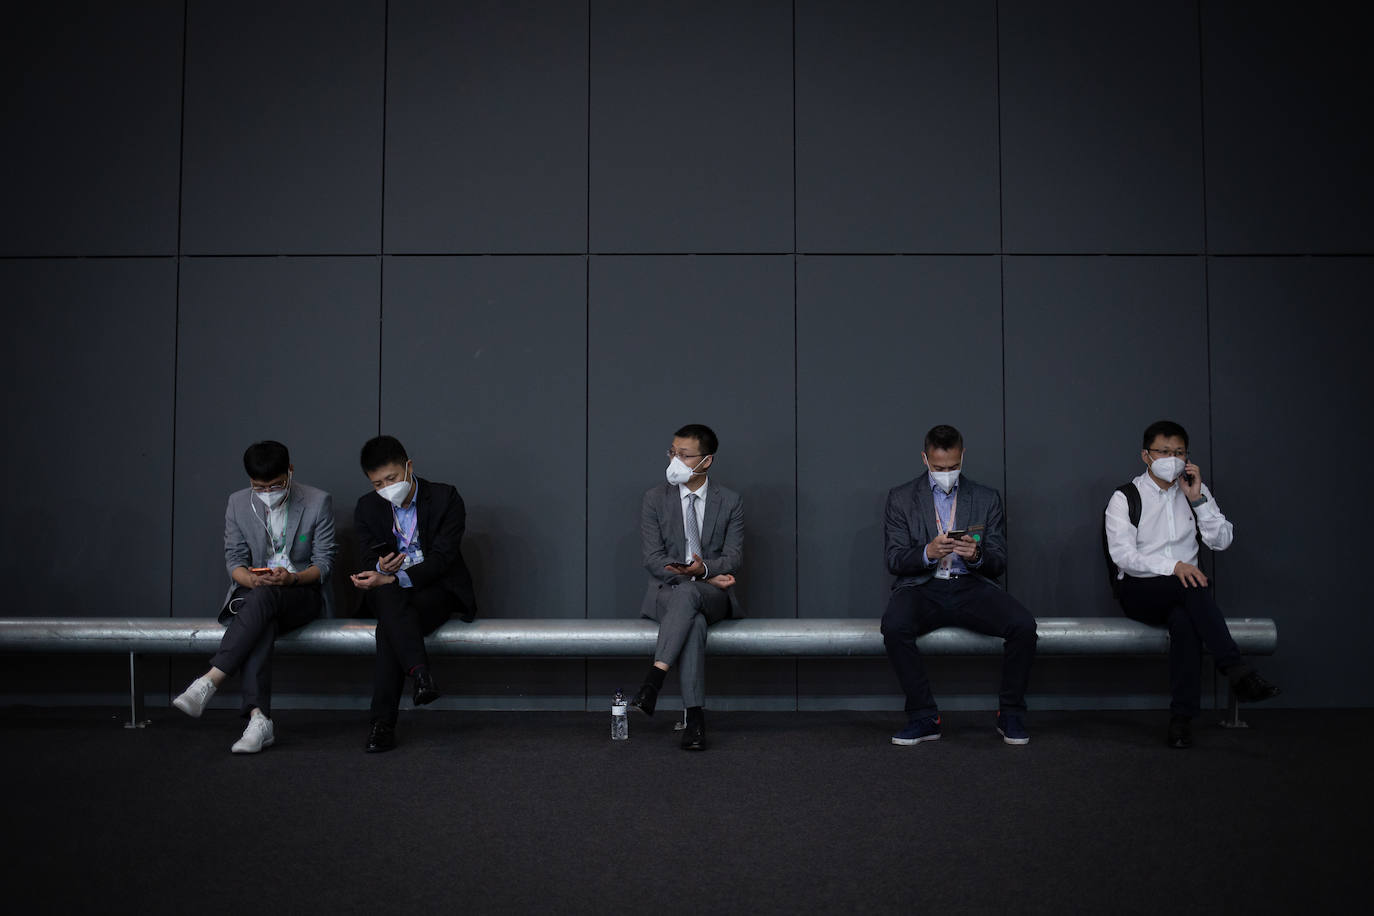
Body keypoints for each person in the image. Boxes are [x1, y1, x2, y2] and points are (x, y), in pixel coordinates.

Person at [1105, 420, 1280, 749]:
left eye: (1179, 452)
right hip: (1139, 591)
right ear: (1146, 456)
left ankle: (1181, 720)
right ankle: (1236, 670)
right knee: (1191, 586)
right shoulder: (1125, 496)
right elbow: (1123, 557)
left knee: (1185, 622)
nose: (1172, 458)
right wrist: (1174, 566)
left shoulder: (1195, 489)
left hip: (1188, 596)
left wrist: (1198, 500)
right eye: (1163, 451)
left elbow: (1222, 540)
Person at [172, 440, 336, 754]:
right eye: (259, 488)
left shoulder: (318, 501)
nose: (267, 493)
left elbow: (324, 564)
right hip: (257, 595)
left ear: (290, 471)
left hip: (301, 593)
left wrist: (292, 578)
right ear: (250, 481)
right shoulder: (237, 503)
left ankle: (212, 679)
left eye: (275, 485)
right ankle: (258, 719)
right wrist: (250, 578)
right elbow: (234, 560)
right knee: (262, 610)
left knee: (262, 603)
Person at [880, 424, 1038, 746]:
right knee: (894, 626)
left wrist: (977, 554)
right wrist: (927, 552)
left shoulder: (986, 498)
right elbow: (895, 560)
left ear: (963, 457)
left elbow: (999, 561)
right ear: (925, 459)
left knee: (1023, 626)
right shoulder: (900, 499)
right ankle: (924, 717)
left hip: (971, 585)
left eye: (953, 467)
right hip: (922, 587)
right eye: (939, 468)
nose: (947, 473)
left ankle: (1009, 713)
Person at [350, 435, 476, 753]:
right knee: (390, 602)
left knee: (389, 625)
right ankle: (420, 675)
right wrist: (378, 565)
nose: (386, 488)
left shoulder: (446, 497)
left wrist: (398, 578)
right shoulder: (367, 507)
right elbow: (366, 555)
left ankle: (382, 724)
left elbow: (443, 559)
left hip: (435, 590)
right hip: (389, 592)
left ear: (409, 466)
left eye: (391, 478)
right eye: (378, 483)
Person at [628, 424, 743, 751]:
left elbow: (733, 557)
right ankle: (695, 718)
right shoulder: (654, 499)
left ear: (705, 461)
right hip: (668, 594)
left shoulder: (731, 501)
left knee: (692, 595)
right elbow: (653, 559)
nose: (674, 461)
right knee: (690, 615)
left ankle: (654, 680)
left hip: (715, 596)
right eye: (672, 453)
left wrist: (703, 572)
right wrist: (701, 576)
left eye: (684, 455)